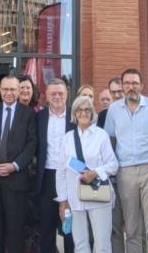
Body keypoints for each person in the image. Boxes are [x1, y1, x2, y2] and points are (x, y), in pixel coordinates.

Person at [104, 68, 148, 253]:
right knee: (132, 227)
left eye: (134, 83)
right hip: (125, 172)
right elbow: (111, 139)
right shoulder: (114, 110)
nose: (130, 87)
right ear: (122, 86)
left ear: (141, 85)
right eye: (127, 83)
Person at [0, 74, 37, 253]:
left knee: (15, 231)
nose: (9, 93)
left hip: (17, 180)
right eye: (5, 89)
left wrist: (15, 165)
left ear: (19, 90)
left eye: (13, 89)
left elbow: (32, 144)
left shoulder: (28, 113)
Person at [57, 95, 119, 253]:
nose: (83, 113)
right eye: (79, 110)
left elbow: (113, 165)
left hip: (98, 194)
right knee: (80, 244)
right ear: (75, 113)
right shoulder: (67, 138)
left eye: (87, 110)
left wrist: (95, 172)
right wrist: (63, 200)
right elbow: (61, 171)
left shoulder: (101, 135)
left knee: (102, 244)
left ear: (92, 113)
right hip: (74, 197)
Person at [36, 79, 75, 253]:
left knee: (70, 227)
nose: (57, 96)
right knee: (46, 227)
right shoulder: (40, 117)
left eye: (60, 93)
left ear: (67, 94)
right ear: (47, 96)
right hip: (47, 178)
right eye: (53, 93)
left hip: (71, 177)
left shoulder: (75, 117)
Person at [98, 76, 126, 253]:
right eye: (113, 92)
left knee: (137, 227)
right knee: (114, 228)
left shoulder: (138, 112)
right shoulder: (102, 116)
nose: (116, 95)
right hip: (112, 179)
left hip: (134, 176)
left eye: (119, 91)